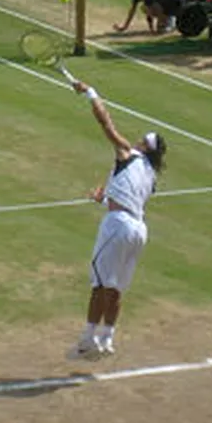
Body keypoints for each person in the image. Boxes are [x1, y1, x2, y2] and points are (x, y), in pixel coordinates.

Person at [65, 79, 166, 361]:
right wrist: (103, 199)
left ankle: (87, 341)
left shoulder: (130, 155)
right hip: (138, 232)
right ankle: (107, 339)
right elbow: (127, 197)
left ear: (145, 148)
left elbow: (106, 125)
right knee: (116, 287)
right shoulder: (151, 176)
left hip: (119, 225)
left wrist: (90, 93)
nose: (137, 141)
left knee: (99, 284)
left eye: (142, 141)